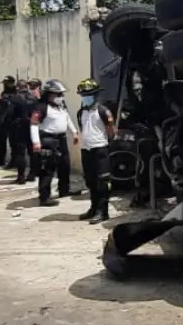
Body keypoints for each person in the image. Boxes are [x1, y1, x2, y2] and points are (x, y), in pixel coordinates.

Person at [30, 79, 78, 207]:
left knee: (65, 165)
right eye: (58, 94)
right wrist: (36, 142)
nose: (61, 97)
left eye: (62, 94)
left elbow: (67, 119)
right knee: (47, 169)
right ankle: (44, 197)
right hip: (47, 140)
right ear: (49, 94)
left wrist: (74, 132)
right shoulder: (41, 107)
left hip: (61, 139)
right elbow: (34, 125)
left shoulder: (61, 106)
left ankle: (64, 190)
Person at [76, 79, 115, 223]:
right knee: (90, 181)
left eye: (89, 95)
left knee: (103, 182)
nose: (86, 97)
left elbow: (111, 130)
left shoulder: (103, 111)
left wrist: (108, 143)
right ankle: (93, 208)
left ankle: (102, 211)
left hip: (100, 149)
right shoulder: (81, 112)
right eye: (84, 95)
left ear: (96, 95)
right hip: (86, 150)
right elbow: (83, 129)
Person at [7, 80, 33, 184]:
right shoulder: (33, 97)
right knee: (32, 152)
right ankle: (32, 174)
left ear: (18, 87)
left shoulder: (15, 98)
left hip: (19, 126)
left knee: (19, 152)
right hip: (32, 126)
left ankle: (21, 177)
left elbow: (10, 113)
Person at [0, 76, 16, 169]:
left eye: (6, 83)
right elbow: (1, 104)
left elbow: (12, 103)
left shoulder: (15, 92)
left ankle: (13, 161)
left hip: (11, 121)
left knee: (12, 142)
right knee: (1, 141)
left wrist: (2, 100)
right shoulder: (4, 92)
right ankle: (1, 160)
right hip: (3, 119)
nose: (4, 85)